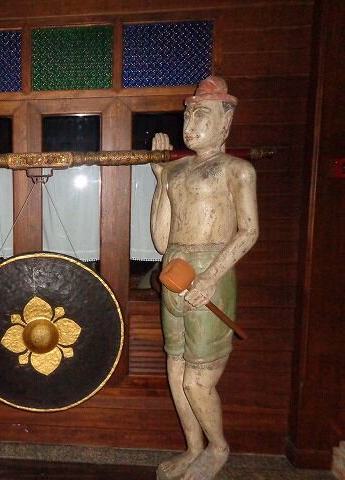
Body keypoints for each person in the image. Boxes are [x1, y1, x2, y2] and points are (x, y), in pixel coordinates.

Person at [150, 76, 259, 480]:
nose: (190, 123)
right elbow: (161, 240)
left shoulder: (237, 170)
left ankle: (218, 447)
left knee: (198, 380)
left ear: (225, 123)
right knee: (176, 369)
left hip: (211, 269)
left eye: (201, 114)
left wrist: (211, 276)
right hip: (175, 269)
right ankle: (193, 448)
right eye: (188, 115)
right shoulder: (175, 171)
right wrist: (160, 181)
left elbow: (249, 231)